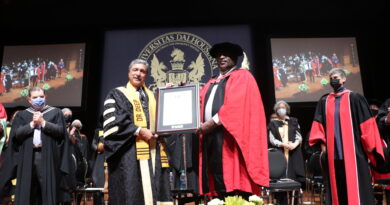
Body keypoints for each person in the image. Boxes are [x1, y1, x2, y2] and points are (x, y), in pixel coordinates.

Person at [196, 42, 269, 198]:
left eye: (226, 53)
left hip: (229, 138)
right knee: (216, 179)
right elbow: (199, 101)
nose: (221, 56)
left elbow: (235, 105)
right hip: (211, 138)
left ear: (235, 58)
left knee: (230, 180)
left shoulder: (242, 76)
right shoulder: (212, 80)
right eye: (218, 54)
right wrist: (182, 91)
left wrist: (213, 122)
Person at [309, 68, 384, 205]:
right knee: (338, 188)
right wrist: (323, 144)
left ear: (344, 79)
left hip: (355, 152)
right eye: (331, 77)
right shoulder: (325, 101)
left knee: (357, 186)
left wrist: (369, 145)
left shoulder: (355, 98)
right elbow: (318, 125)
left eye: (336, 77)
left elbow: (367, 124)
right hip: (334, 155)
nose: (333, 80)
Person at [102, 59, 171, 205]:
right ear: (129, 73)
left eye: (142, 71)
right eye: (135, 70)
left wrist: (168, 95)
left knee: (154, 192)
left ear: (146, 75)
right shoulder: (117, 94)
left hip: (153, 153)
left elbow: (164, 121)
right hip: (129, 155)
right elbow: (113, 123)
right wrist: (138, 130)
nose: (138, 73)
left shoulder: (153, 96)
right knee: (131, 194)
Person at [8, 86, 67, 205]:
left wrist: (43, 123)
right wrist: (32, 124)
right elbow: (16, 135)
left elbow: (61, 131)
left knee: (46, 190)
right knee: (28, 191)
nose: (38, 99)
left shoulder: (55, 112)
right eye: (35, 97)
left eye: (41, 97)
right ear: (29, 100)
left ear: (45, 97)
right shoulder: (22, 115)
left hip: (47, 156)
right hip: (27, 156)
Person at [268, 100, 305, 205]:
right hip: (280, 153)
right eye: (279, 107)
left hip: (293, 153)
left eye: (283, 107)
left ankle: (295, 202)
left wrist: (294, 144)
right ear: (276, 110)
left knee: (294, 180)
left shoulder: (294, 121)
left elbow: (299, 136)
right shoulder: (273, 123)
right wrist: (282, 144)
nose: (281, 109)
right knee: (281, 181)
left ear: (287, 109)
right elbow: (272, 139)